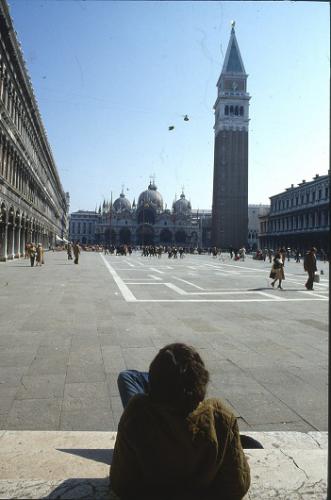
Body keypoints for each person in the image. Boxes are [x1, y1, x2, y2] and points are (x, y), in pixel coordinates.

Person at [110, 343, 257, 500]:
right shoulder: (220, 418)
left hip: (154, 413)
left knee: (128, 377)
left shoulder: (137, 413)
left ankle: (169, 382)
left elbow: (122, 484)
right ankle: (179, 385)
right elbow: (237, 486)